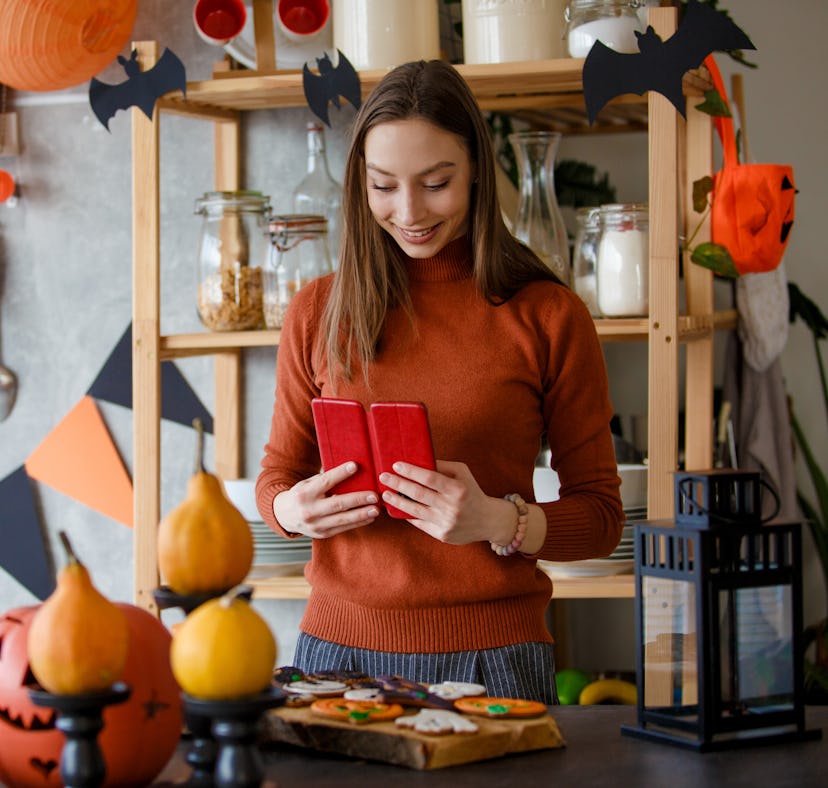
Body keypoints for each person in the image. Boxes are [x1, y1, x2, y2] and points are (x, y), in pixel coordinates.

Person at [256, 59, 623, 704]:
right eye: (383, 186)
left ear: (476, 169)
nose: (408, 212)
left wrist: (496, 520)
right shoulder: (317, 310)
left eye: (436, 183)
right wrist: (290, 511)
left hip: (497, 659)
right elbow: (276, 477)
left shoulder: (547, 315)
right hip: (334, 656)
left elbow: (600, 517)